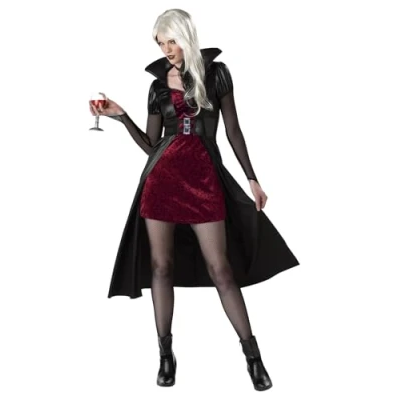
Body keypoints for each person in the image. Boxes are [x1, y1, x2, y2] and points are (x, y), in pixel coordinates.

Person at [89, 8, 299, 391]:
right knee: (161, 268)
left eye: (172, 40)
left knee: (221, 270)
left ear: (185, 35)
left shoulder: (216, 74)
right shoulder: (157, 87)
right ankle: (165, 356)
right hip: (161, 181)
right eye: (161, 43)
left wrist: (252, 177)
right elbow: (152, 145)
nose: (167, 49)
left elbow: (233, 130)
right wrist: (121, 116)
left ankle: (253, 357)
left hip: (204, 180)